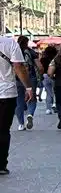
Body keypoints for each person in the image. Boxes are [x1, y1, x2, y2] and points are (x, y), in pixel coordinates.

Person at [0, 32, 31, 175]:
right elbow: (18, 66)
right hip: (6, 93)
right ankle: (1, 164)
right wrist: (28, 87)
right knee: (3, 130)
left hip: (7, 92)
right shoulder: (10, 43)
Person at [15, 35, 39, 131]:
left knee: (19, 101)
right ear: (27, 42)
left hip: (17, 79)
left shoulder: (15, 51)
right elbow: (40, 67)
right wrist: (39, 75)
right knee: (32, 99)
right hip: (30, 78)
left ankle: (21, 124)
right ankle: (30, 114)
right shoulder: (32, 52)